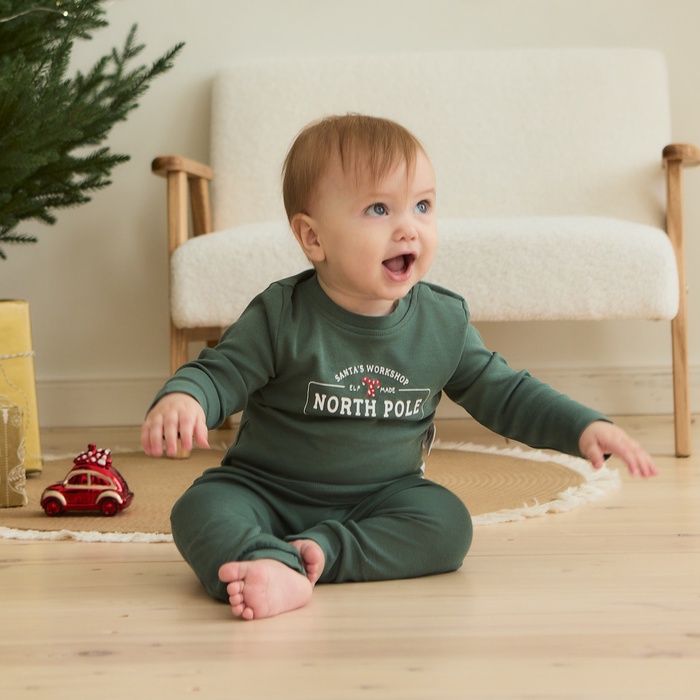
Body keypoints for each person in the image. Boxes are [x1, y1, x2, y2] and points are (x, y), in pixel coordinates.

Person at [141, 114, 657, 621]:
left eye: (423, 206)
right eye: (379, 209)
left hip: (380, 498)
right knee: (200, 508)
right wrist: (187, 396)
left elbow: (507, 393)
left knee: (448, 525)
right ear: (313, 237)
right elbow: (222, 370)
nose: (409, 227)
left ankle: (321, 554)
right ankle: (265, 560)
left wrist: (582, 425)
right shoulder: (281, 314)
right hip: (264, 490)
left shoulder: (442, 322)